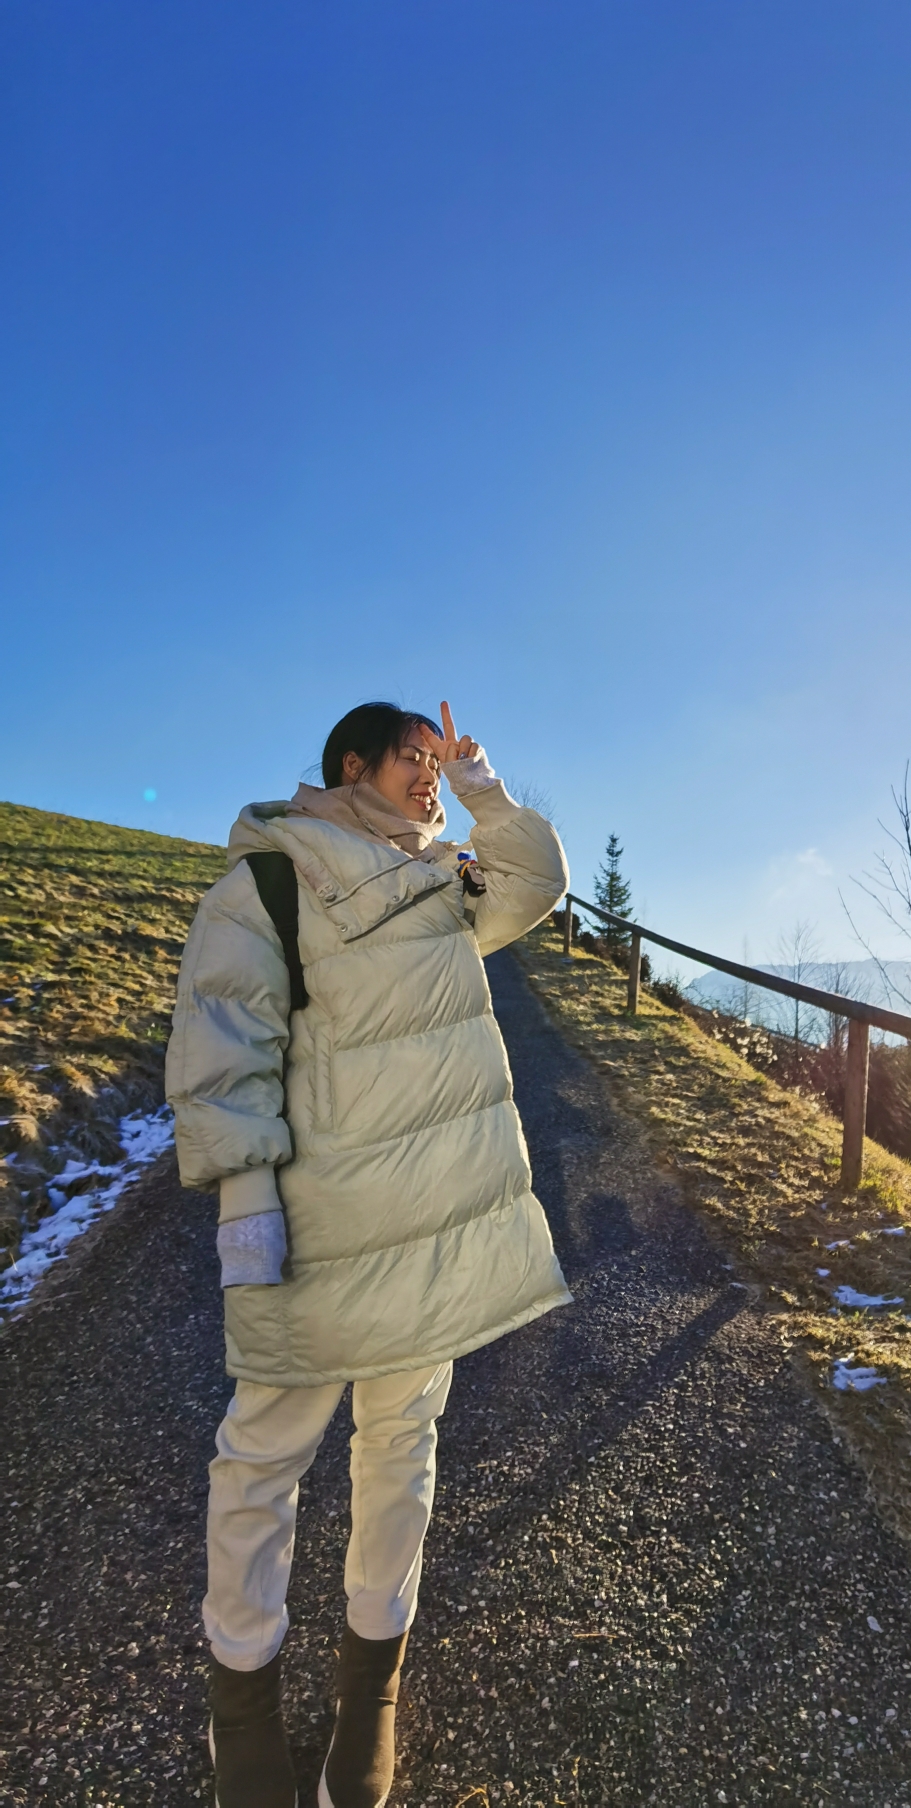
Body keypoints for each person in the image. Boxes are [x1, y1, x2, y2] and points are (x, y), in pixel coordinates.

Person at [165, 700, 571, 1808]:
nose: (431, 780)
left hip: (431, 1226)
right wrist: (249, 1208)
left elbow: (537, 887)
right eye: (416, 761)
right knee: (262, 1458)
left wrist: (488, 786)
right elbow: (222, 1046)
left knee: (401, 1447)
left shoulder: (446, 885)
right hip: (321, 1222)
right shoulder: (271, 879)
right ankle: (239, 1704)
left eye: (440, 766)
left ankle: (370, 1688)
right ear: (354, 764)